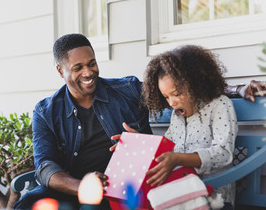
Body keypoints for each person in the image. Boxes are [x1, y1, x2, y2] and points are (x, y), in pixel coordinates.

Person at [14, 34, 265, 210]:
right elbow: (45, 167)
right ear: (61, 70)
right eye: (78, 67)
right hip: (75, 184)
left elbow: (187, 87)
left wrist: (237, 88)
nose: (88, 72)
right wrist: (84, 186)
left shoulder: (128, 90)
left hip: (124, 185)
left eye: (92, 63)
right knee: (29, 202)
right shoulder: (46, 111)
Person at [114, 45, 240, 209]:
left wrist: (178, 159)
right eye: (166, 96)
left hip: (215, 198)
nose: (171, 102)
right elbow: (164, 146)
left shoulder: (220, 105)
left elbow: (224, 154)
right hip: (180, 195)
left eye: (177, 93)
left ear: (195, 84)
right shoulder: (177, 115)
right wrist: (137, 144)